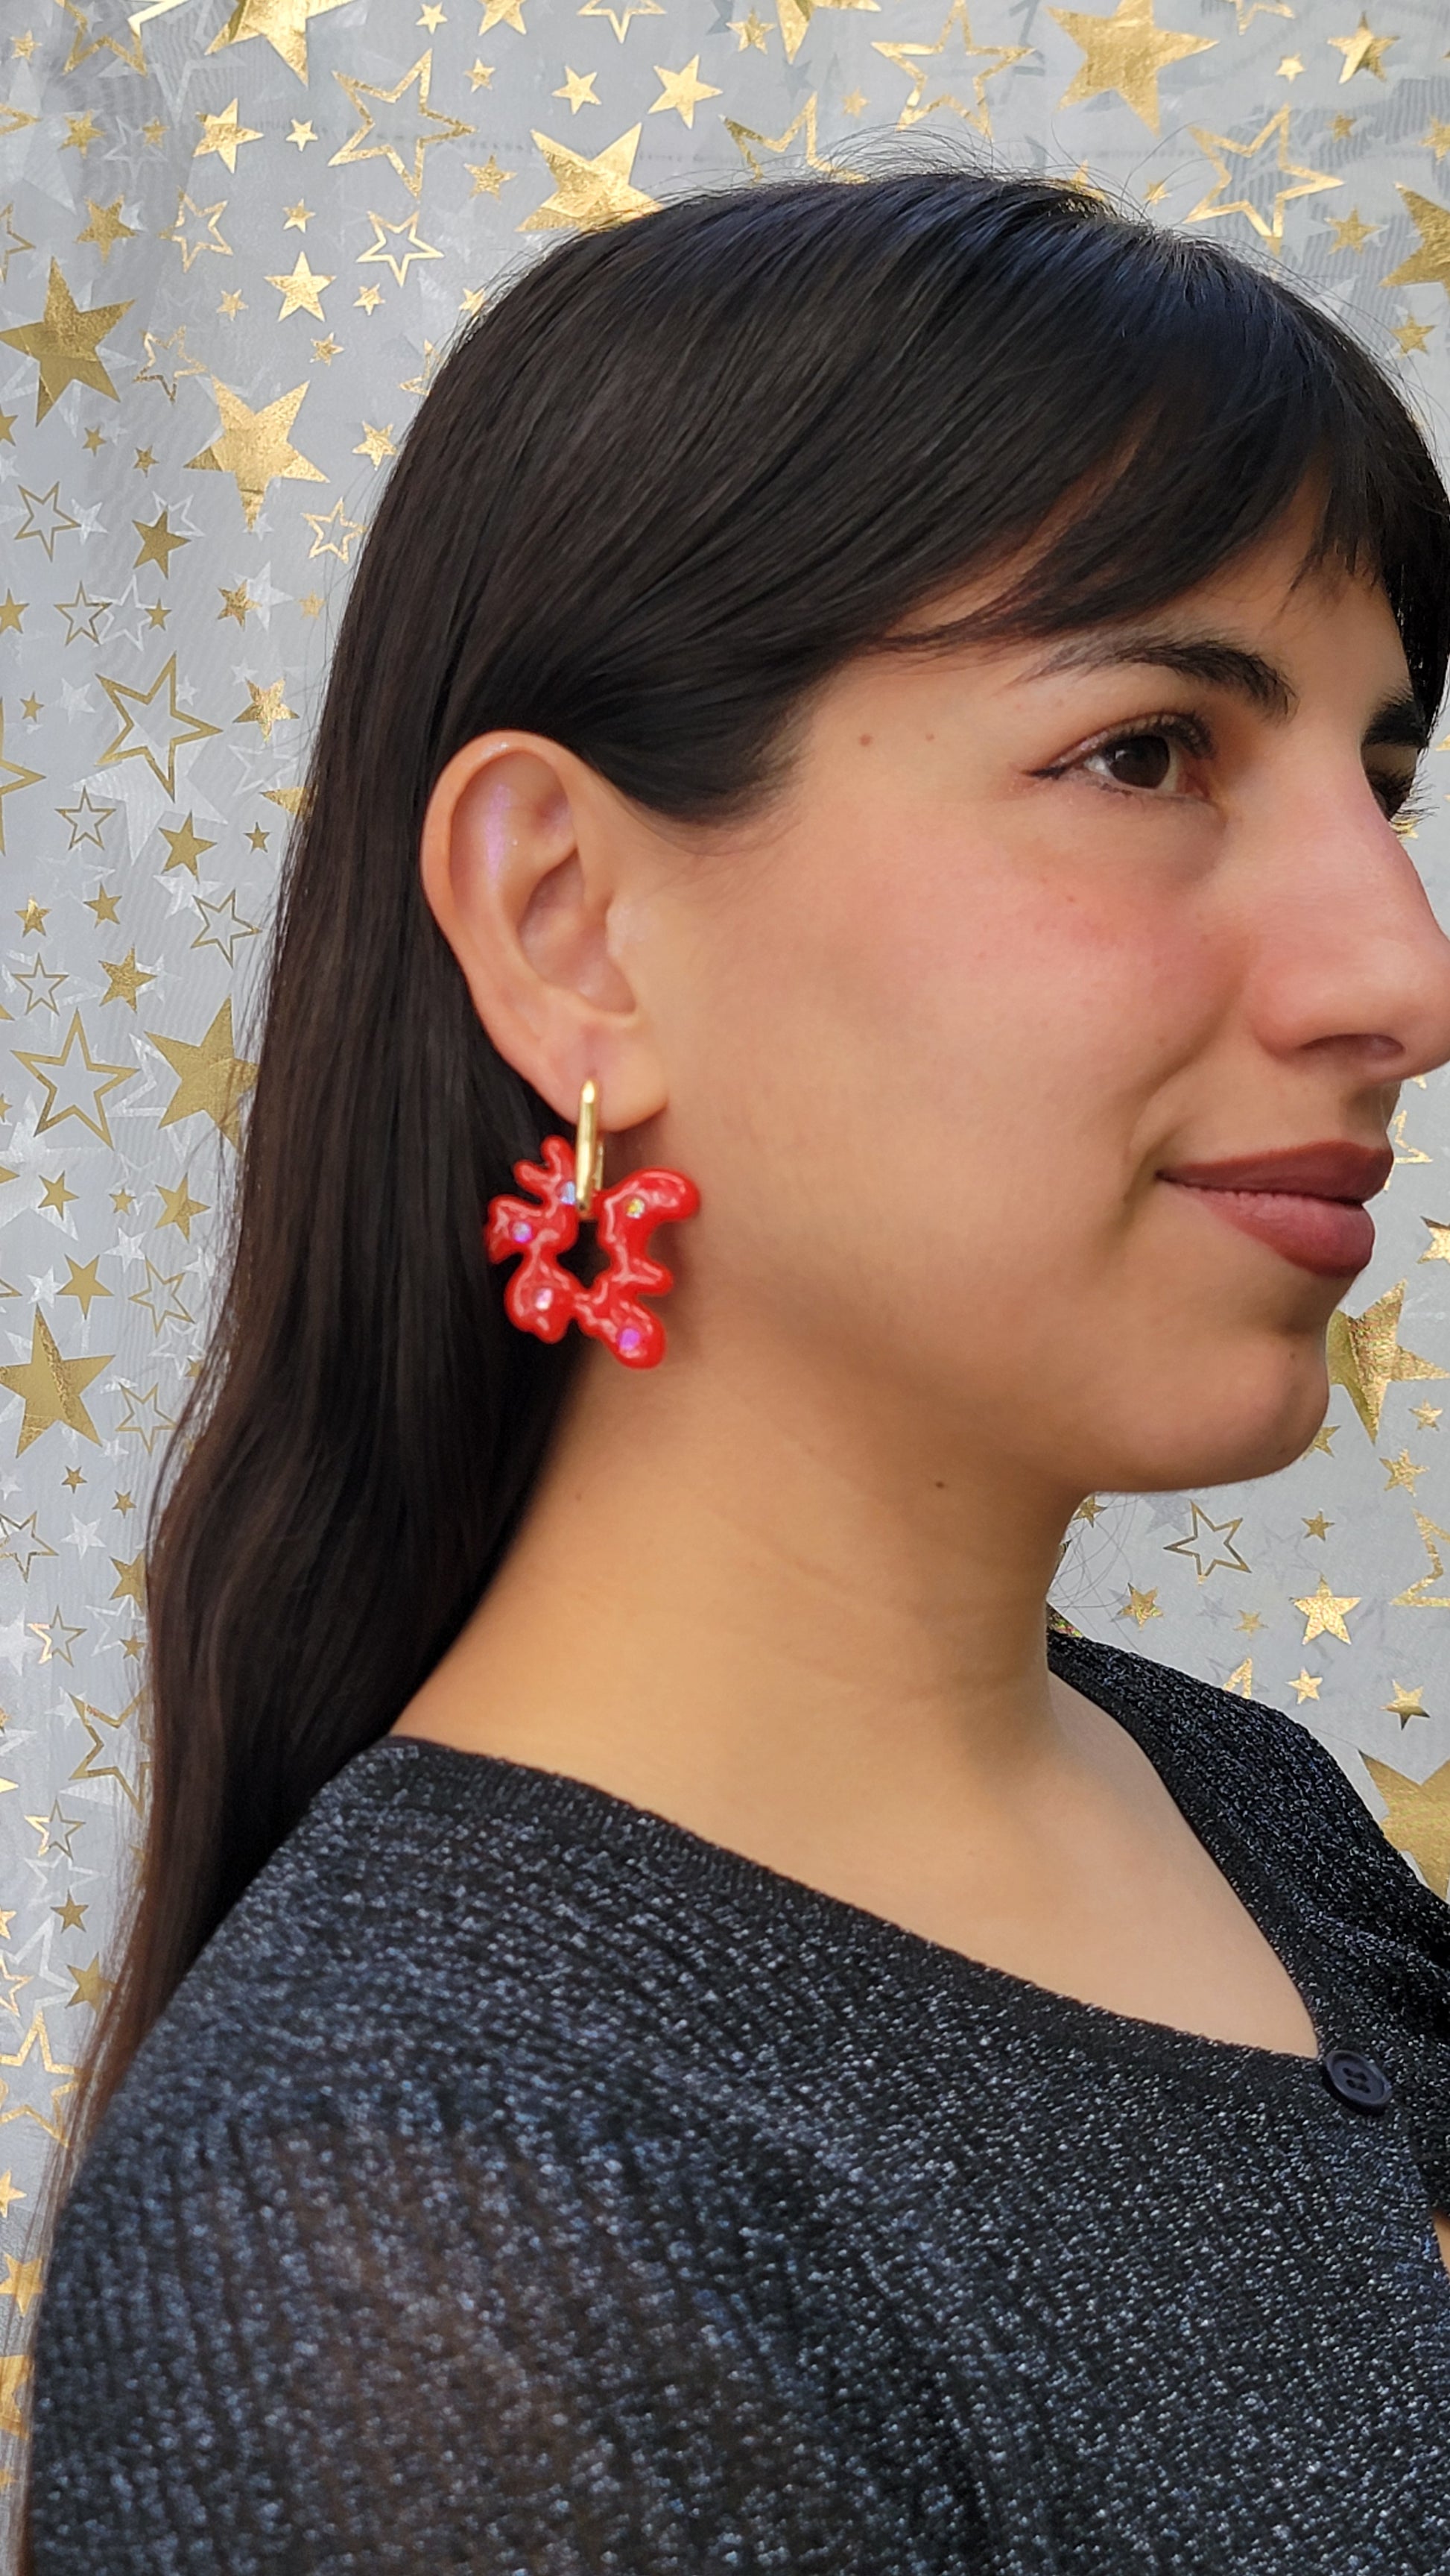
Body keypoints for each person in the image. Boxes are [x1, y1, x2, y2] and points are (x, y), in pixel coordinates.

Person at [23, 165, 1450, 2573]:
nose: (1398, 976)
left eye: (1378, 784)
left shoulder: (1227, 1803)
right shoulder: (424, 2244)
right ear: (570, 926)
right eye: (1145, 754)